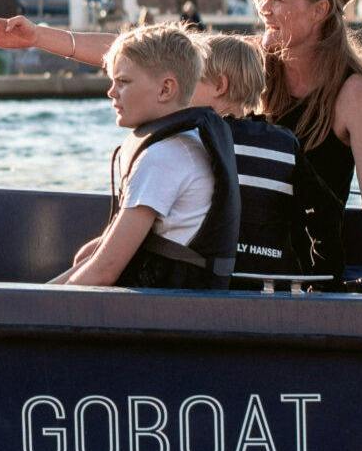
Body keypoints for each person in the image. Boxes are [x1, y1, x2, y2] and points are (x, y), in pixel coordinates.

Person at [253, 0, 362, 280]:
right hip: (246, 274)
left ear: (319, 10)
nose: (264, 9)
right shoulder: (250, 70)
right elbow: (175, 63)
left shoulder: (353, 94)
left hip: (313, 281)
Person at [52, 24, 236, 289]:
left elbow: (104, 271)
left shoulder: (163, 158)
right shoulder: (187, 144)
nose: (111, 92)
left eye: (123, 81)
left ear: (165, 89)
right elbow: (94, 259)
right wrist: (38, 295)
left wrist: (34, 309)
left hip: (165, 315)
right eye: (112, 81)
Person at [196, 32, 314, 279]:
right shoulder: (286, 142)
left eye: (192, 79)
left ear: (220, 85)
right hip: (274, 278)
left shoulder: (197, 139)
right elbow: (317, 209)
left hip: (214, 279)